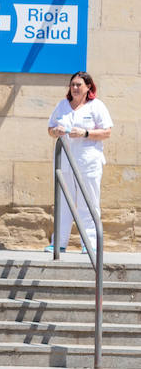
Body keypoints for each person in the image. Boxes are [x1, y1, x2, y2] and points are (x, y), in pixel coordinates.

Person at [48, 71, 112, 255]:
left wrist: (85, 133)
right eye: (72, 85)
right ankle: (58, 244)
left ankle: (90, 244)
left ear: (88, 87)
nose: (75, 88)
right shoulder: (62, 105)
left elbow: (106, 132)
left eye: (79, 85)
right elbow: (50, 129)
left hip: (88, 162)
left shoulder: (96, 106)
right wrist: (56, 132)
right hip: (65, 162)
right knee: (63, 202)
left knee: (88, 202)